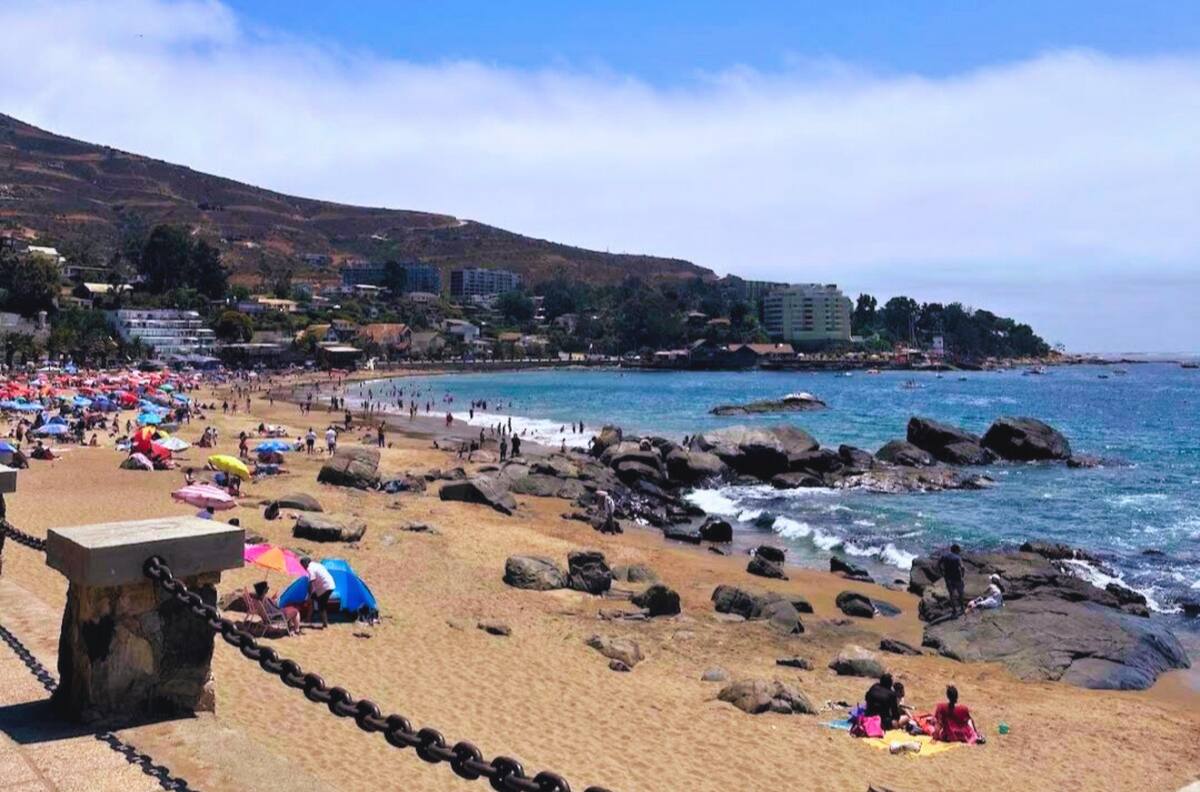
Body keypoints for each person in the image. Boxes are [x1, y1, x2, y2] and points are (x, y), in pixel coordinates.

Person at [300, 556, 335, 628]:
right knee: (317, 601)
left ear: (305, 563)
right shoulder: (317, 565)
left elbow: (311, 583)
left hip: (325, 587)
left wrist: (309, 596)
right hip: (330, 585)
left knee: (321, 606)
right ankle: (309, 618)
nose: (303, 567)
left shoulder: (310, 569)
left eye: (302, 565)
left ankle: (325, 624)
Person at [939, 544, 966, 617]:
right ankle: (962, 608)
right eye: (959, 550)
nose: (959, 552)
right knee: (961, 593)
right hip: (957, 578)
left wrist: (942, 572)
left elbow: (939, 564)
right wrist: (962, 575)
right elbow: (962, 567)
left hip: (948, 579)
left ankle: (954, 610)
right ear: (956, 550)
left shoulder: (944, 556)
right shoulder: (958, 558)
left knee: (951, 594)